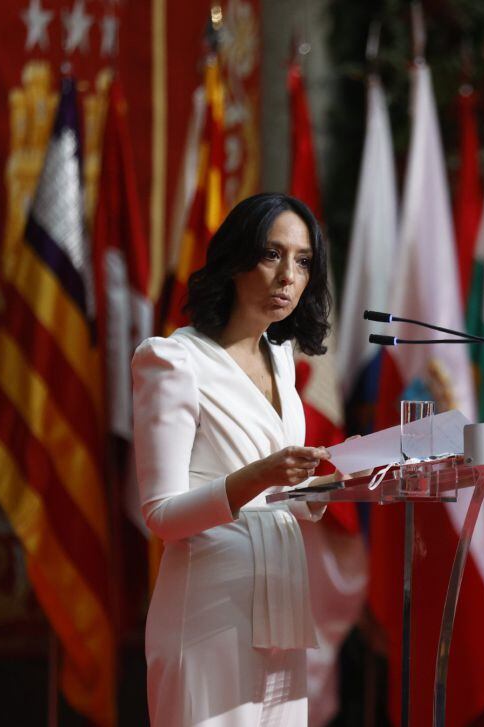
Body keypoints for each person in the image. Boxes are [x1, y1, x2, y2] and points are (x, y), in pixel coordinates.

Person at [133, 192, 333, 726]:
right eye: (272, 254)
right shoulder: (173, 359)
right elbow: (161, 516)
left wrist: (330, 487)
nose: (288, 275)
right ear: (235, 259)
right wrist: (260, 475)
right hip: (208, 612)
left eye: (303, 260)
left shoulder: (282, 361)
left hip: (281, 602)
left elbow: (279, 495)